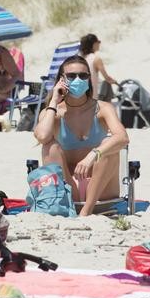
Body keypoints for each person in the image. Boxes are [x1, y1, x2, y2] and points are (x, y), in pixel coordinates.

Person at [33, 55, 129, 216]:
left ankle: (86, 211)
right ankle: (73, 205)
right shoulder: (54, 112)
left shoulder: (103, 108)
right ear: (61, 80)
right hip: (69, 189)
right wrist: (53, 102)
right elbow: (42, 136)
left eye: (83, 75)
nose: (78, 79)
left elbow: (123, 138)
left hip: (102, 191)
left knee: (108, 144)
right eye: (71, 76)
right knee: (50, 146)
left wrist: (93, 154)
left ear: (89, 79)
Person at [78, 34, 118, 100]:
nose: (99, 44)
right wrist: (114, 81)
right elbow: (107, 78)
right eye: (98, 42)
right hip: (92, 97)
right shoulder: (96, 59)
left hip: (80, 95)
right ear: (93, 44)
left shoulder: (81, 59)